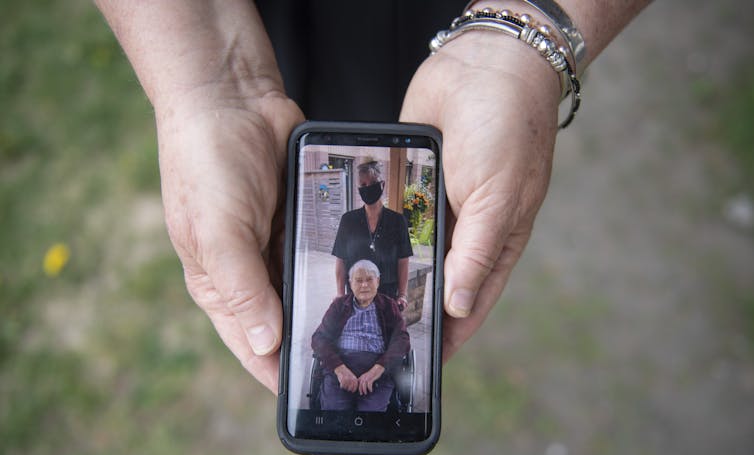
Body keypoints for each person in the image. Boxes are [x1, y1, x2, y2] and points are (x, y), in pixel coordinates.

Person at [94, 0, 651, 393]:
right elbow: (339, 265)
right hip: (263, 27)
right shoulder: (345, 231)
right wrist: (208, 83)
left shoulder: (399, 225)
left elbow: (407, 260)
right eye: (365, 180)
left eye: (371, 180)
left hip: (453, 21)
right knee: (286, 144)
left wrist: (523, 38)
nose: (368, 185)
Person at [312, 260, 409, 411]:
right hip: (341, 366)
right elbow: (319, 338)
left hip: (378, 369)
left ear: (378, 281)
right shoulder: (339, 305)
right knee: (334, 410)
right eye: (358, 280)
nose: (364, 285)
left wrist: (378, 369)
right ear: (350, 283)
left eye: (370, 279)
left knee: (372, 414)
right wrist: (340, 369)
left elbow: (402, 340)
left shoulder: (389, 305)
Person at [332, 161, 412, 309]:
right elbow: (340, 260)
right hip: (355, 298)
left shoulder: (398, 221)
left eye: (373, 182)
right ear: (358, 188)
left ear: (383, 184)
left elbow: (403, 261)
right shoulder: (348, 220)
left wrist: (402, 295)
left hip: (388, 299)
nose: (368, 187)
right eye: (363, 184)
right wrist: (340, 294)